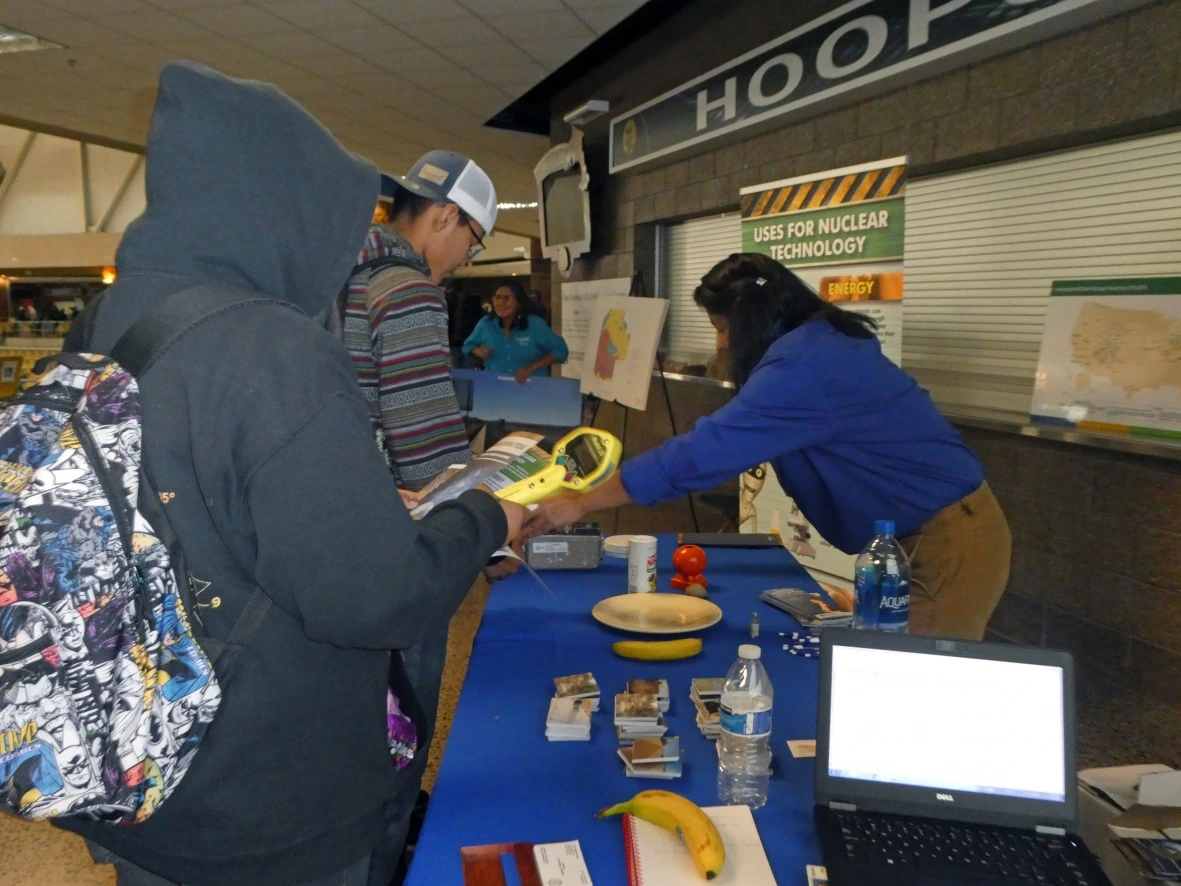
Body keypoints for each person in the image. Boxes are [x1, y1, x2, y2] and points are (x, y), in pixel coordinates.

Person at [57, 61, 526, 886]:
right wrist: (486, 519)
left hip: (138, 756)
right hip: (258, 800)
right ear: (280, 205)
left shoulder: (109, 319)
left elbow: (196, 500)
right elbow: (375, 595)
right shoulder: (270, 348)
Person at [527, 253, 1011, 641]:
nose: (720, 346)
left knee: (911, 685)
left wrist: (582, 503)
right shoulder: (817, 344)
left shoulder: (804, 365)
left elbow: (698, 455)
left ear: (752, 322)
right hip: (922, 536)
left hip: (947, 543)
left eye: (720, 329)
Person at [334, 151, 510, 879]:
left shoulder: (334, 274)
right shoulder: (404, 289)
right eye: (470, 243)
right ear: (445, 216)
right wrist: (495, 524)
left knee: (350, 730)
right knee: (400, 723)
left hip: (328, 536)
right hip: (394, 553)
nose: (460, 260)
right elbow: (432, 462)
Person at [462, 281, 569, 384]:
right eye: (497, 297)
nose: (500, 302)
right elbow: (467, 346)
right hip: (495, 389)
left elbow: (561, 351)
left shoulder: (535, 325)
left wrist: (531, 367)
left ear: (519, 302)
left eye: (506, 298)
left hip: (532, 388)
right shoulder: (486, 324)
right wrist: (478, 351)